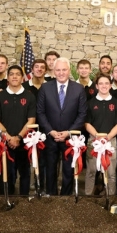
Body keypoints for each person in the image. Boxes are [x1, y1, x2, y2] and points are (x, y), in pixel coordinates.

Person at [36, 57, 86, 195]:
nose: (61, 72)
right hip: (50, 136)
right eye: (58, 70)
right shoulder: (45, 88)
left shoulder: (79, 89)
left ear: (69, 70)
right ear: (53, 71)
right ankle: (51, 195)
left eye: (64, 69)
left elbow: (82, 114)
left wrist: (69, 132)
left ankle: (65, 197)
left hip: (70, 138)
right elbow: (40, 112)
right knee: (50, 169)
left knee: (68, 170)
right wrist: (50, 131)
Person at [0, 65, 36, 195]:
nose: (15, 76)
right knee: (7, 174)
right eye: (12, 74)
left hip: (24, 142)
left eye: (18, 74)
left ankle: (23, 201)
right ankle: (6, 199)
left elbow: (31, 120)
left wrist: (18, 137)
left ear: (22, 77)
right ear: (8, 77)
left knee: (25, 174)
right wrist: (8, 137)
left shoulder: (30, 96)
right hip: (5, 143)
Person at [84, 75, 117, 196]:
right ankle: (88, 197)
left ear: (110, 85)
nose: (104, 86)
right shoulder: (90, 103)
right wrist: (97, 135)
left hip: (110, 141)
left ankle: (110, 197)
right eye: (101, 83)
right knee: (91, 171)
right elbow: (87, 123)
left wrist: (108, 137)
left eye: (106, 83)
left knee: (111, 173)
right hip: (93, 140)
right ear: (96, 86)